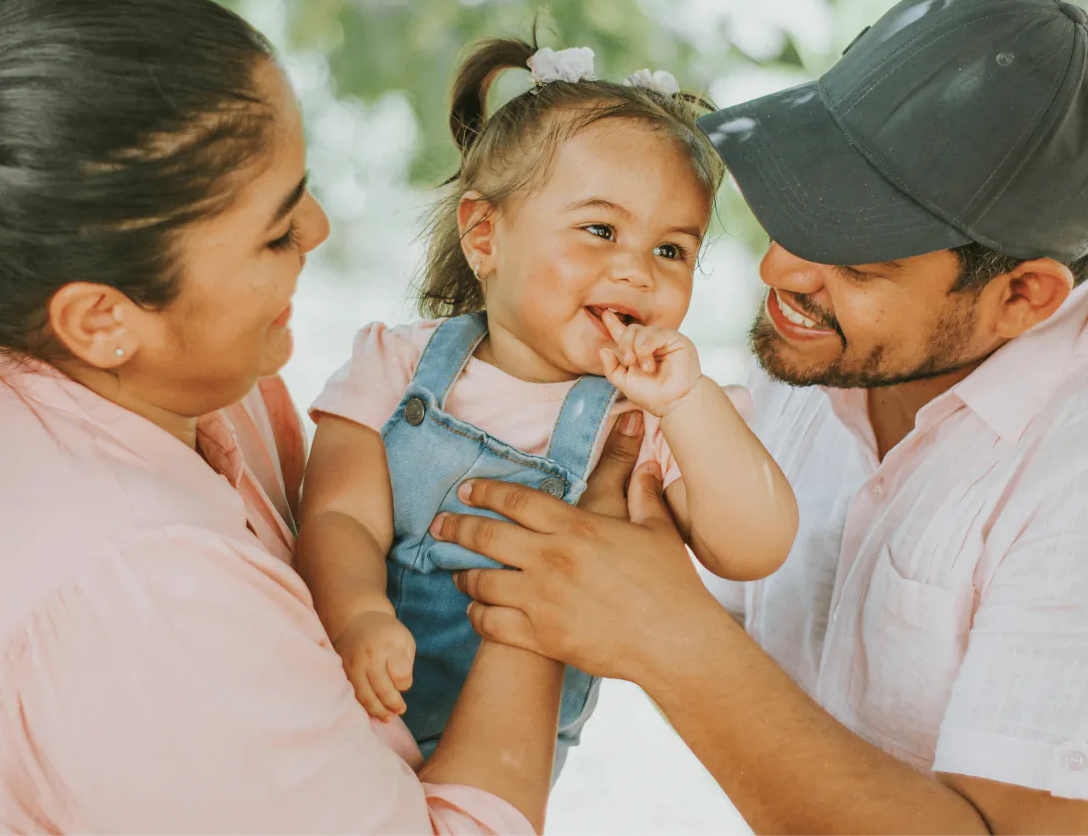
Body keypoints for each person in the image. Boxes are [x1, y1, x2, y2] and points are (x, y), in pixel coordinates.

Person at [0, 0, 561, 833]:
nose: (317, 229)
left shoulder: (116, 369)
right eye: (277, 231)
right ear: (100, 317)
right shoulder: (141, 586)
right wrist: (538, 594)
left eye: (301, 188)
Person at [431, 0, 1088, 834]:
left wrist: (673, 638)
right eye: (804, 203)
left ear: (1023, 296)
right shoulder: (835, 340)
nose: (780, 270)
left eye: (859, 258)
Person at [295, 38, 797, 774]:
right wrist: (357, 613)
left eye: (672, 250)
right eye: (601, 230)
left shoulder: (649, 415)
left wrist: (689, 403)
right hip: (349, 698)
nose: (636, 268)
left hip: (511, 749)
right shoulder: (397, 362)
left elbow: (755, 547)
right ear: (484, 234)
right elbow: (337, 513)